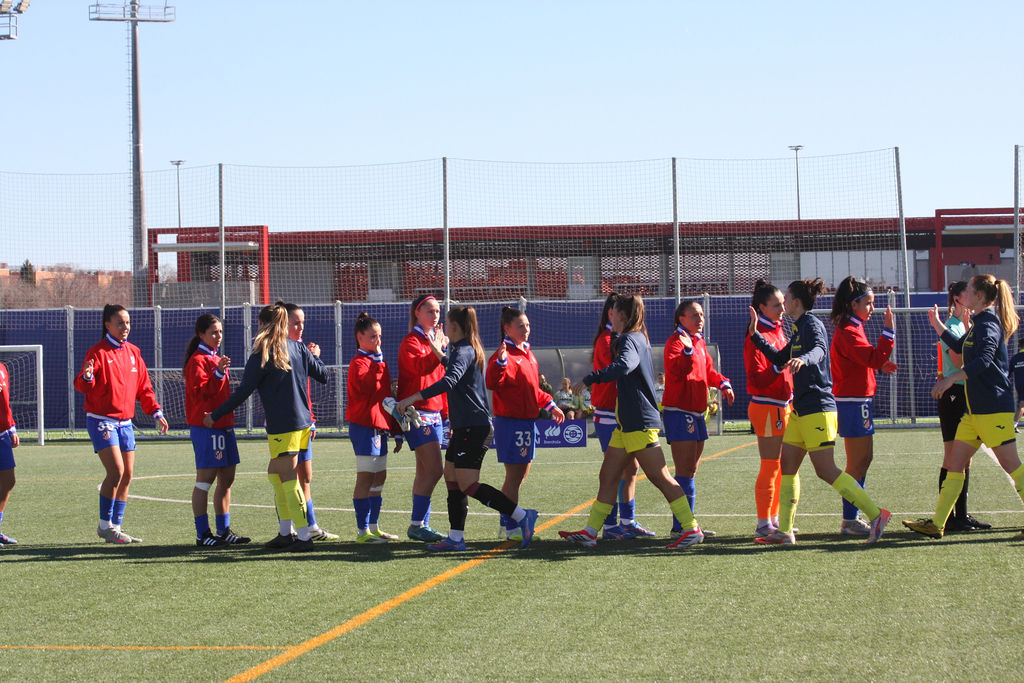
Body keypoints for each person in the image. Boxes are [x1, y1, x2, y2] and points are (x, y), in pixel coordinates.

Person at [747, 279, 891, 546]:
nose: (784, 304)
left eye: (787, 298)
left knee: (825, 470)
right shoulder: (798, 328)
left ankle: (876, 514)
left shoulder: (812, 324)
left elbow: (819, 350)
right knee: (787, 466)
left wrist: (804, 359)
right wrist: (755, 335)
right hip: (801, 410)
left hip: (818, 409)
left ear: (796, 302)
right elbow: (779, 358)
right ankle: (785, 531)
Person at [560, 294, 705, 549]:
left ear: (622, 316)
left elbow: (625, 365)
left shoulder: (629, 339)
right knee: (608, 476)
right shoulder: (635, 337)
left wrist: (592, 378)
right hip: (626, 423)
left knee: (660, 477)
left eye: (614, 312)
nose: (611, 316)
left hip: (638, 422)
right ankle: (591, 532)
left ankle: (691, 528)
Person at [397, 306, 539, 551]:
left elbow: (450, 380)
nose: (443, 328)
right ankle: (455, 538)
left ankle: (522, 516)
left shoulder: (464, 349)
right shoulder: (460, 349)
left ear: (454, 326)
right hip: (464, 427)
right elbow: (452, 366)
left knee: (468, 484)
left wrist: (413, 397)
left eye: (447, 323)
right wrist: (437, 350)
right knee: (452, 479)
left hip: (475, 428)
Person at [905, 274, 1024, 540]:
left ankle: (940, 522)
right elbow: (960, 346)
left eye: (968, 289)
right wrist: (938, 325)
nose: (963, 293)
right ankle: (938, 523)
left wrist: (951, 379)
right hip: (975, 413)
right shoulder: (977, 323)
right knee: (955, 464)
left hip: (993, 409)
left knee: (1012, 466)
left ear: (979, 296)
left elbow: (983, 360)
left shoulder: (988, 325)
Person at [205, 304, 329, 552]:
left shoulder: (263, 353)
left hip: (285, 426)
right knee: (276, 474)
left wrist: (215, 415)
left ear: (263, 324)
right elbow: (323, 375)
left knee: (288, 479)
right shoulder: (298, 347)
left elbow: (243, 391)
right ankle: (285, 533)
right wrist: (314, 357)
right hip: (302, 423)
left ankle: (303, 537)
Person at [75, 304, 169, 544]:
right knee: (116, 472)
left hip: (125, 423)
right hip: (102, 420)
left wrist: (156, 411)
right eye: (120, 323)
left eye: (127, 322)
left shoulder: (134, 352)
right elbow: (83, 385)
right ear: (108, 325)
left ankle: (116, 527)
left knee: (127, 475)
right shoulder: (97, 352)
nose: (125, 327)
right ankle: (104, 526)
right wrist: (87, 376)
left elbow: (144, 388)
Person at [487, 306, 564, 540]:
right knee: (514, 477)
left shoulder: (528, 354)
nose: (526, 329)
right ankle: (510, 527)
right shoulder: (503, 355)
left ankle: (507, 522)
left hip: (527, 422)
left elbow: (534, 390)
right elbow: (492, 382)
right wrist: (500, 364)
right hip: (511, 422)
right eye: (521, 326)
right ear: (507, 328)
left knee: (520, 476)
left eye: (528, 325)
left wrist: (551, 405)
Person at [829, 277, 898, 536]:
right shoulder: (849, 330)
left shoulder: (854, 327)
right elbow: (873, 356)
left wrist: (877, 364)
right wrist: (888, 331)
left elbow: (866, 360)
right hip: (852, 402)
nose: (872, 308)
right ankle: (850, 520)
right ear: (853, 304)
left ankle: (853, 518)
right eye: (867, 303)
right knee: (857, 463)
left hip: (859, 400)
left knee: (863, 460)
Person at [663, 299, 735, 540]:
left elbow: (708, 372)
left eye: (701, 315)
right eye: (695, 315)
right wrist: (686, 352)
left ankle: (687, 524)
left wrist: (723, 383)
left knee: (690, 471)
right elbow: (677, 370)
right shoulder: (676, 342)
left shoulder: (699, 341)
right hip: (679, 411)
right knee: (684, 471)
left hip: (696, 412)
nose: (700, 319)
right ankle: (681, 527)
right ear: (681, 318)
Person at [589, 292, 654, 540]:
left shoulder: (626, 338)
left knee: (631, 468)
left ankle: (627, 521)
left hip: (623, 413)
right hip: (609, 412)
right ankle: (610, 524)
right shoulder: (609, 340)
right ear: (612, 314)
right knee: (615, 470)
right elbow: (619, 370)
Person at [183, 313, 250, 547]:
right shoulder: (198, 360)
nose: (218, 336)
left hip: (224, 425)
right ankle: (203, 534)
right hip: (206, 427)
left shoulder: (216, 357)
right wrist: (218, 373)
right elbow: (201, 393)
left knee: (227, 479)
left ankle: (224, 530)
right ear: (201, 334)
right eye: (213, 332)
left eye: (220, 331)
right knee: (205, 480)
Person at [935, 281, 990, 530]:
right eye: (966, 293)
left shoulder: (967, 325)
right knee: (952, 457)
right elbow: (958, 362)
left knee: (965, 459)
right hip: (953, 394)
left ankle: (962, 515)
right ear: (957, 299)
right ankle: (948, 518)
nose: (971, 296)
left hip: (964, 393)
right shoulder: (953, 326)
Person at [282, 302, 338, 541]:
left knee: (305, 476)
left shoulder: (300, 348)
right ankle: (288, 528)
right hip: (286, 426)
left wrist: (310, 419)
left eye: (302, 322)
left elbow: (314, 382)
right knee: (286, 477)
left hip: (304, 423)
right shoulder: (277, 350)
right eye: (295, 323)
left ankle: (311, 525)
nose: (300, 327)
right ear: (283, 324)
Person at [346, 311, 403, 543]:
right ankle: (362, 532)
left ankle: (374, 527)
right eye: (372, 336)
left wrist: (396, 430)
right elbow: (367, 387)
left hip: (380, 426)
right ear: (359, 337)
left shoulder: (379, 362)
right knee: (366, 477)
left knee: (380, 477)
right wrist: (378, 363)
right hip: (364, 426)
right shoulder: (358, 363)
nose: (377, 341)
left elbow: (387, 397)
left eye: (379, 336)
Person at [744, 280, 794, 538]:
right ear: (761, 307)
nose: (782, 309)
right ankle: (764, 523)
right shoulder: (756, 335)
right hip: (766, 406)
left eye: (783, 304)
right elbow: (757, 377)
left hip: (782, 405)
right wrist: (778, 367)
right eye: (776, 305)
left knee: (782, 466)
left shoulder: (778, 329)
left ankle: (773, 519)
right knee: (770, 465)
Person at [397, 294, 449, 542]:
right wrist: (437, 350)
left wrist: (446, 414)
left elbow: (442, 380)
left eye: (437, 311)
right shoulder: (411, 341)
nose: (435, 315)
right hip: (417, 414)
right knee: (435, 470)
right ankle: (417, 524)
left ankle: (421, 524)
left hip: (435, 413)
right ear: (417, 313)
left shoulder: (434, 341)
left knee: (424, 472)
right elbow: (420, 369)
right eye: (430, 311)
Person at [0, 360, 19, 546]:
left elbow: (5, 403)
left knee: (8, 481)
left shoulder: (2, 368)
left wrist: (11, 427)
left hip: (2, 434)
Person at [1011, 339, 1024, 433]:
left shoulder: (1015, 358)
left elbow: (1008, 372)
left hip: (1018, 385)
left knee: (1022, 404)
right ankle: (1014, 425)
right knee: (1022, 405)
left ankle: (1014, 424)